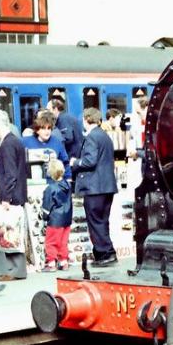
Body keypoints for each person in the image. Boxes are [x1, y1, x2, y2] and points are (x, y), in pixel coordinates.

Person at [71, 108, 118, 267]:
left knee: (95, 221)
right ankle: (106, 251)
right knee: (103, 220)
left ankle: (105, 253)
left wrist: (75, 162)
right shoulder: (105, 136)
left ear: (86, 119)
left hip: (94, 187)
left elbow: (89, 161)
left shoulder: (92, 137)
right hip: (107, 186)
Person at [0, 110, 27, 206]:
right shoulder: (14, 141)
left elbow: (11, 174)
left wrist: (6, 198)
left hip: (12, 200)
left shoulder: (7, 144)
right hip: (18, 196)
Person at [40, 159, 72, 272]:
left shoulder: (50, 188)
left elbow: (47, 206)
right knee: (63, 242)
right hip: (67, 219)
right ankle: (64, 262)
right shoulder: (68, 185)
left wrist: (44, 217)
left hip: (55, 219)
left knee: (51, 242)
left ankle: (51, 264)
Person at [22, 111, 72, 183]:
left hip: (53, 184)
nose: (47, 131)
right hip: (33, 184)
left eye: (49, 128)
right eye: (43, 128)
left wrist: (68, 179)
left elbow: (65, 163)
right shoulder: (25, 142)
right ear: (37, 130)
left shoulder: (57, 142)